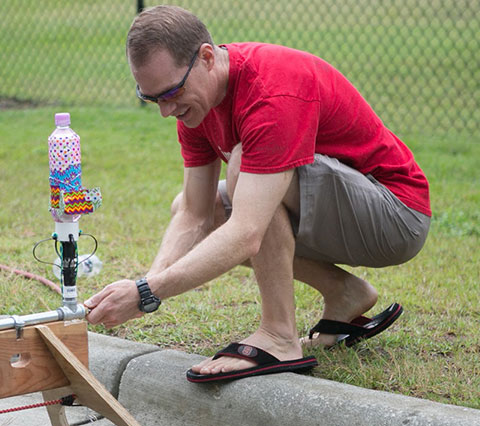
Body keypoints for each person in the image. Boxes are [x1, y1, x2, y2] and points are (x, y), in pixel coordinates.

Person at [84, 5, 430, 383]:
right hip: (345, 212)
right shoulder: (196, 105)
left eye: (171, 92)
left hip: (396, 216)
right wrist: (146, 289)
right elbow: (195, 216)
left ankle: (279, 337)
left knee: (242, 163)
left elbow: (247, 233)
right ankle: (343, 292)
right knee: (204, 204)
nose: (166, 110)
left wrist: (147, 291)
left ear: (206, 57)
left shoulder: (271, 91)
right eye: (153, 98)